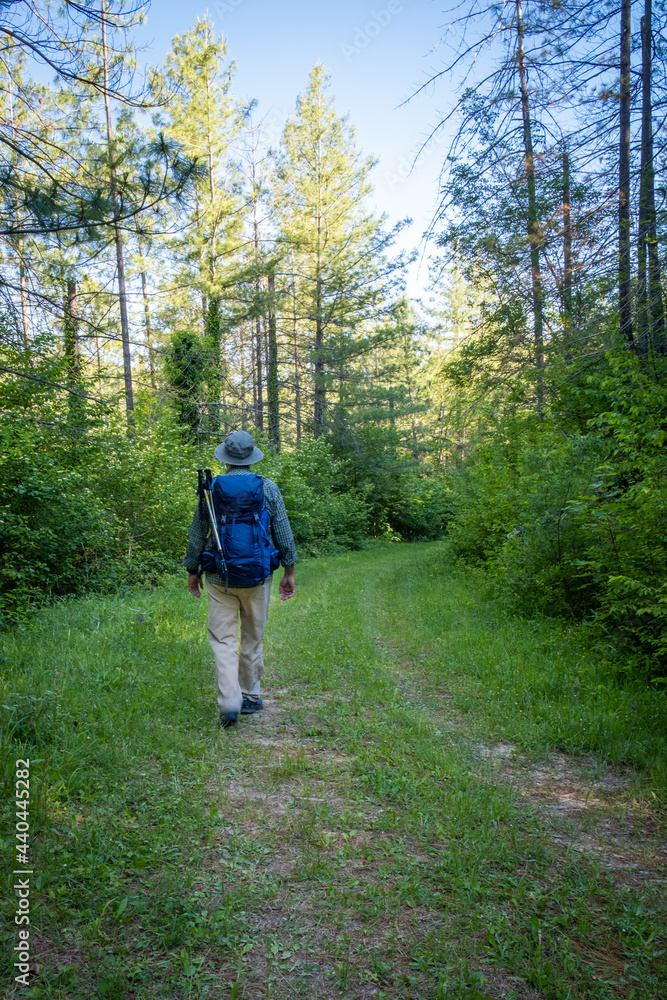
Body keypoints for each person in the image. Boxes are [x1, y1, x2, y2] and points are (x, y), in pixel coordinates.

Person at [183, 430, 297, 728]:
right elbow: (282, 532)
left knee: (223, 640)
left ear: (226, 457)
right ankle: (249, 695)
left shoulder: (213, 487)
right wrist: (289, 571)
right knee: (252, 638)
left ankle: (229, 700)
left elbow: (198, 532)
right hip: (258, 577)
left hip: (220, 577)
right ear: (251, 457)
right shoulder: (268, 488)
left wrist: (192, 569)